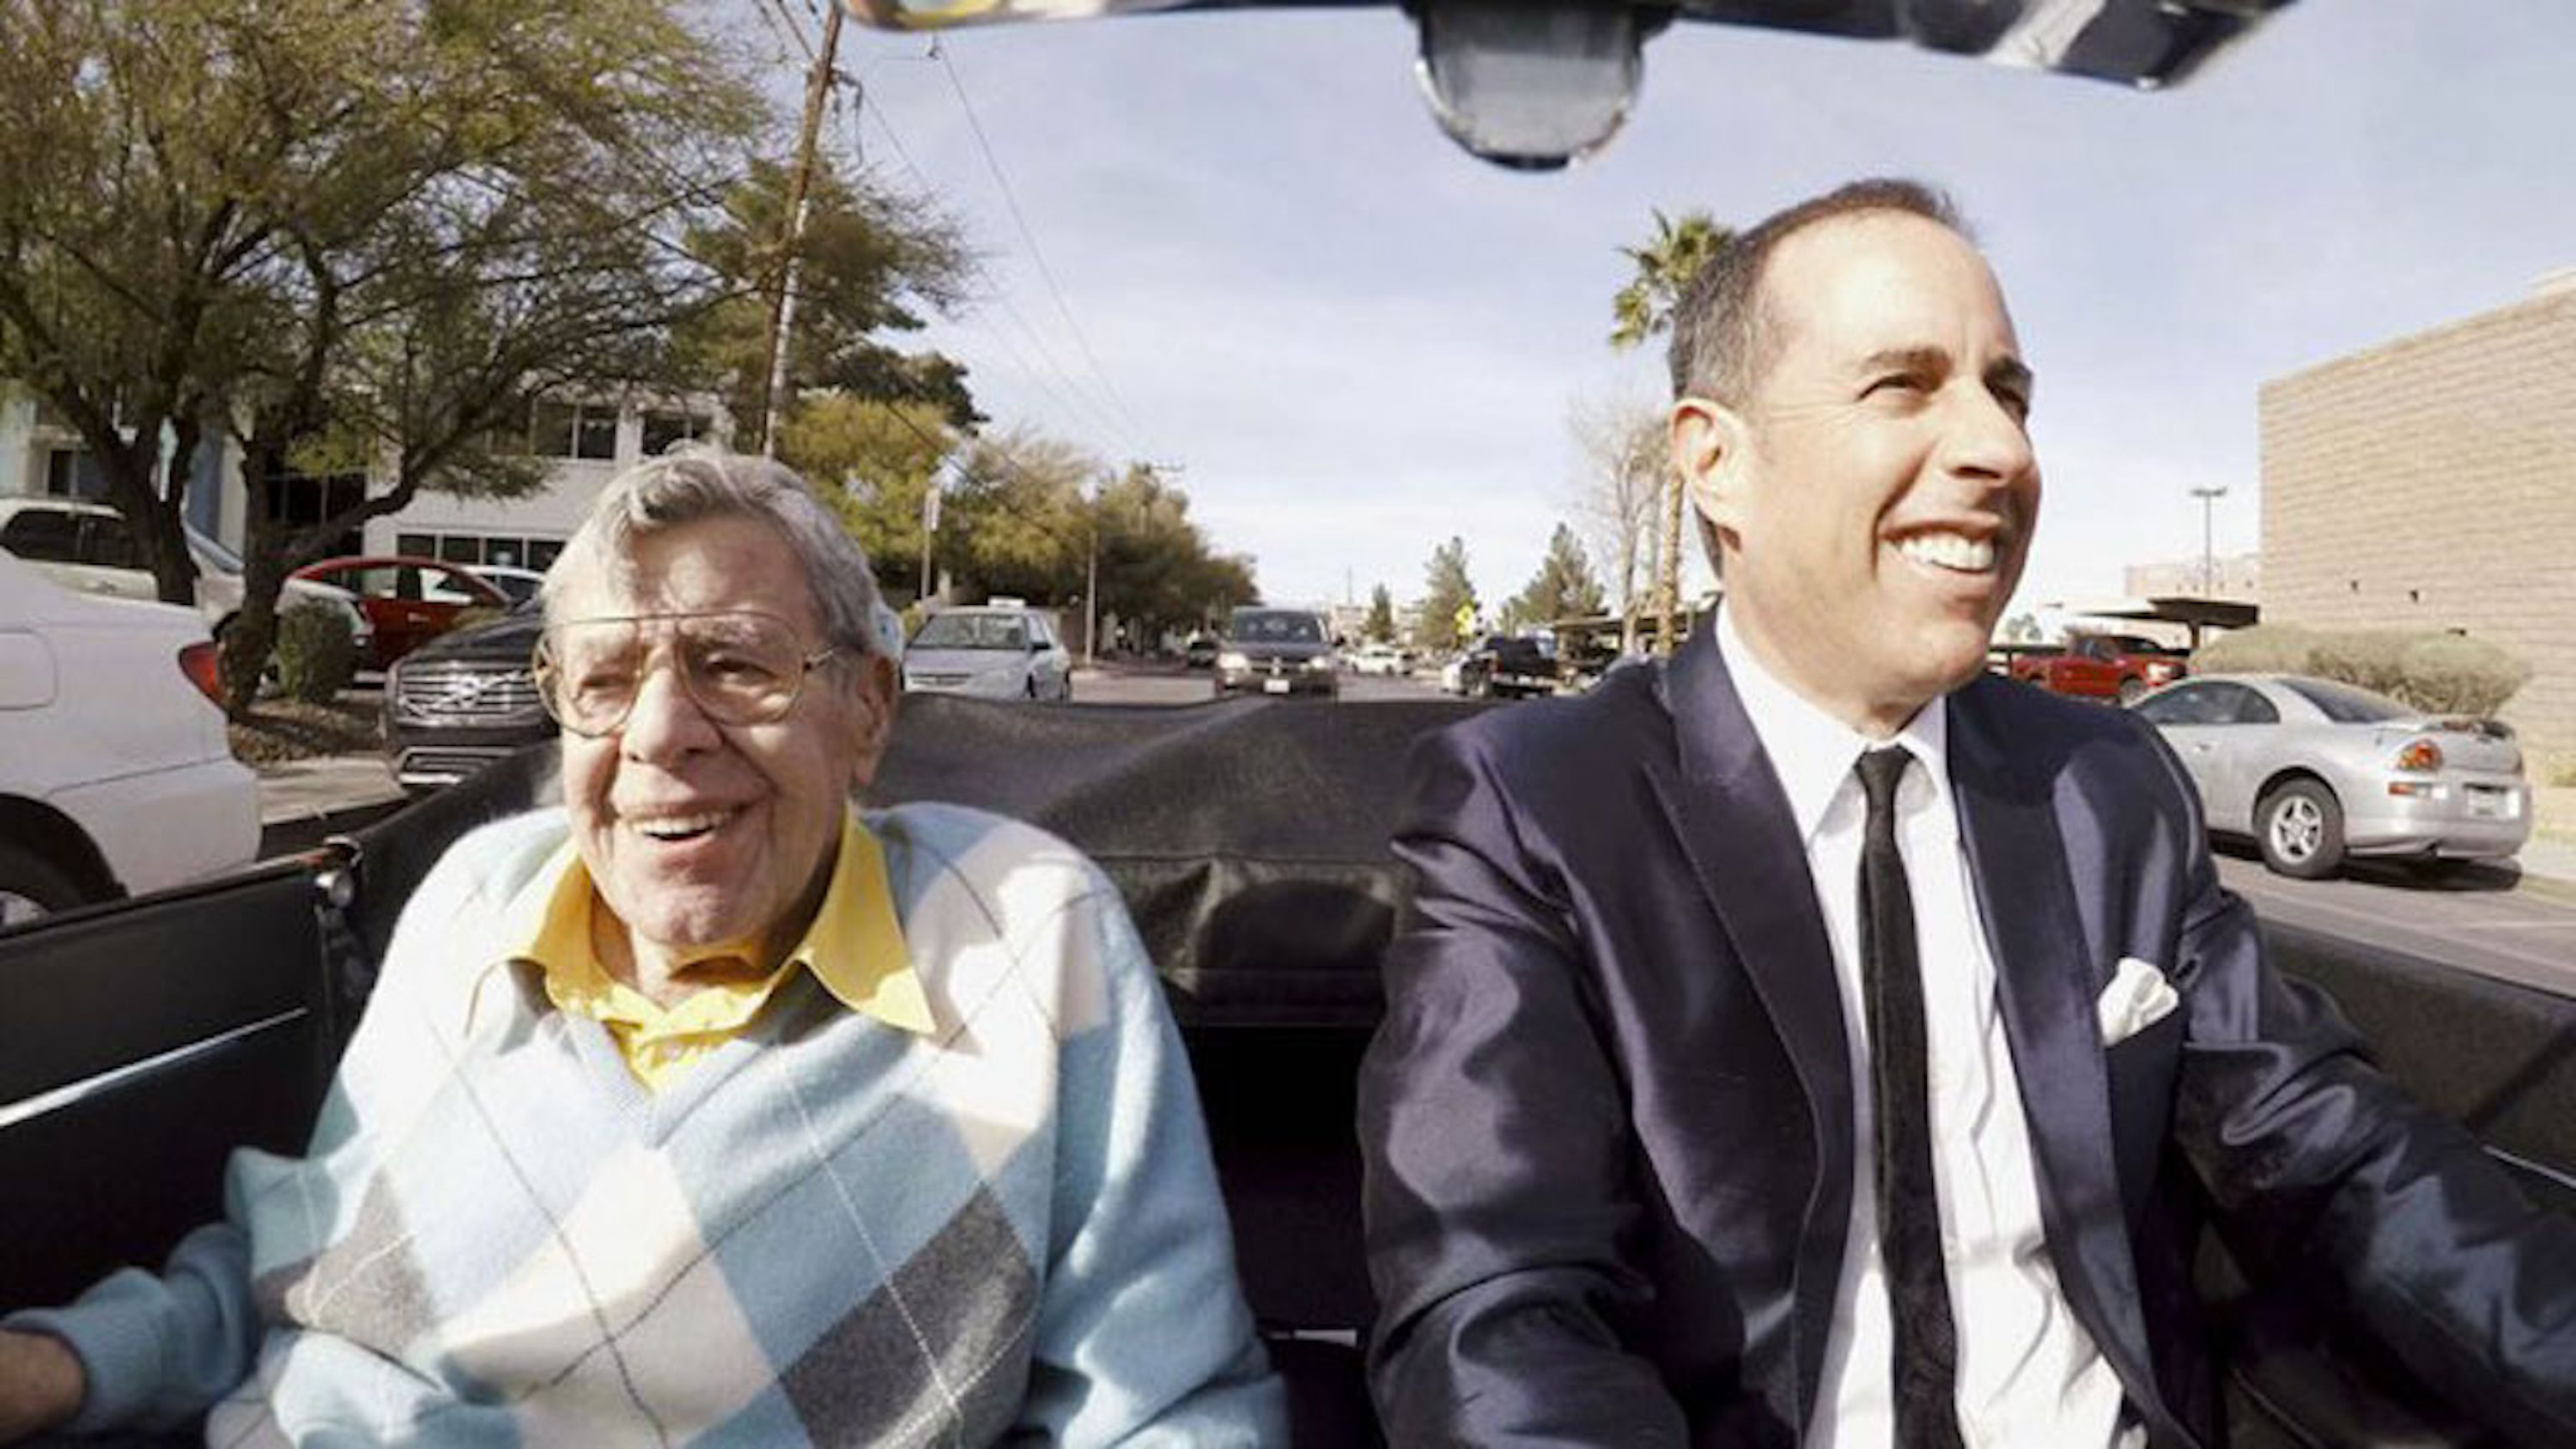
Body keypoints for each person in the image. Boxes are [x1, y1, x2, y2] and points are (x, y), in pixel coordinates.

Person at [1356, 178, 2576, 1447]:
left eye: (2010, 392)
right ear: (1715, 459)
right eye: (1904, 385)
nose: (2000, 449)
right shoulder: (1531, 804)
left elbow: (2328, 1159)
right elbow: (1498, 1318)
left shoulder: (2109, 790)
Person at [0, 451, 1283, 1445]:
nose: (662, 733)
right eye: (605, 684)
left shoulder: (1018, 931)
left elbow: (1163, 1408)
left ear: (868, 713)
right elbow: (307, 1268)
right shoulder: (483, 890)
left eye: (735, 663)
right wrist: (58, 1367)